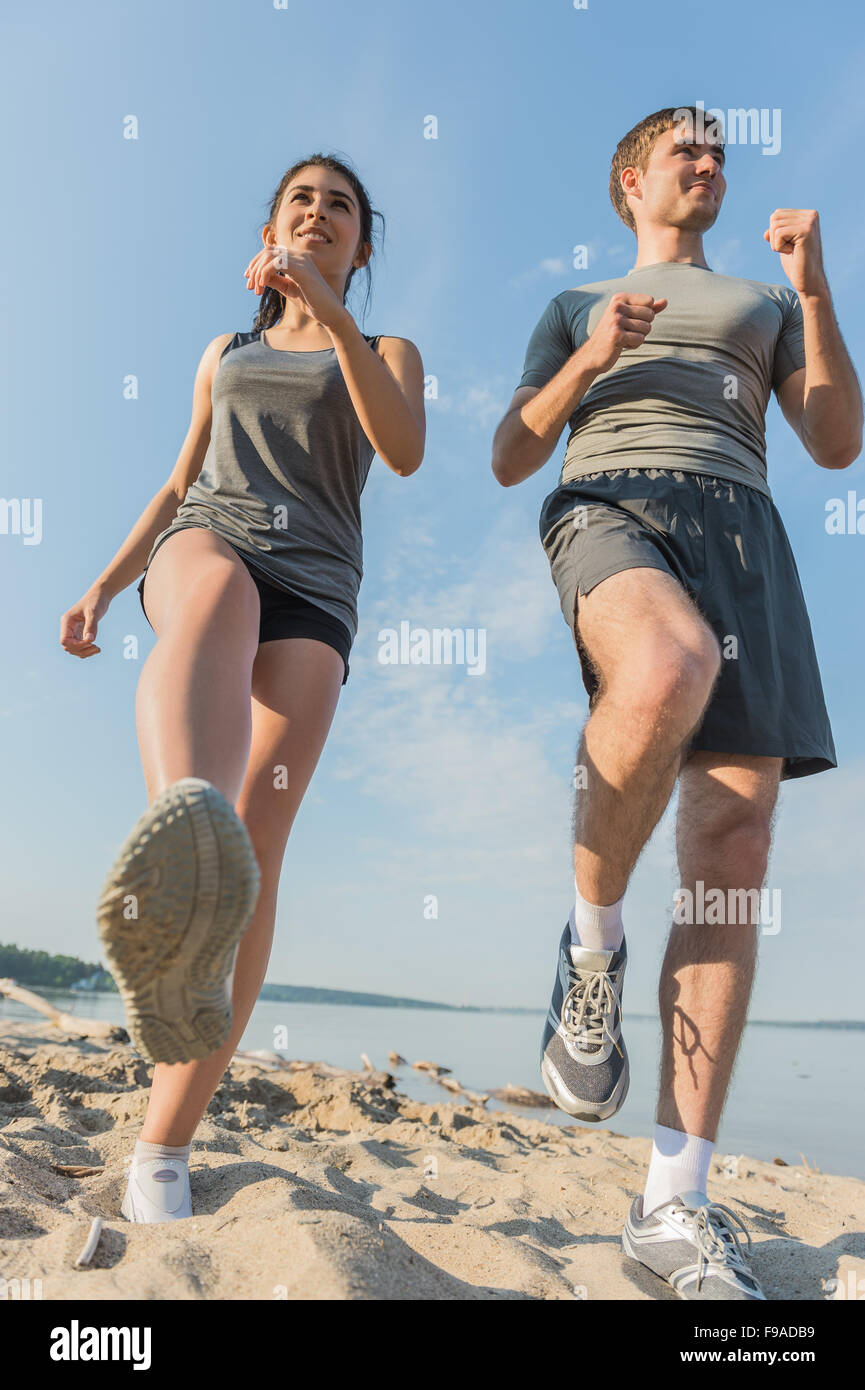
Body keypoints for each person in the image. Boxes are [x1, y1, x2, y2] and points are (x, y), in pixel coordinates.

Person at [491, 106, 861, 1299]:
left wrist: (811, 290)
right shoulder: (573, 304)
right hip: (612, 505)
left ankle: (672, 1203)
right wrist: (592, 358)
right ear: (629, 180)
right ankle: (590, 948)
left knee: (733, 844)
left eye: (719, 152)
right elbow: (508, 451)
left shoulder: (761, 301)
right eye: (684, 152)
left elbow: (835, 440)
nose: (707, 164)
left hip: (742, 526)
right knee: (662, 668)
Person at [59, 154, 425, 1222]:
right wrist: (101, 581)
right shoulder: (226, 349)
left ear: (359, 249)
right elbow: (182, 476)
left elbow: (399, 450)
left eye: (342, 207)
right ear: (269, 231)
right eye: (301, 200)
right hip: (208, 538)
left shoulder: (385, 348)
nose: (319, 213)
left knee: (260, 862)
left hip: (317, 588)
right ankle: (186, 832)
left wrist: (336, 324)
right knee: (213, 594)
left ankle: (162, 1146)